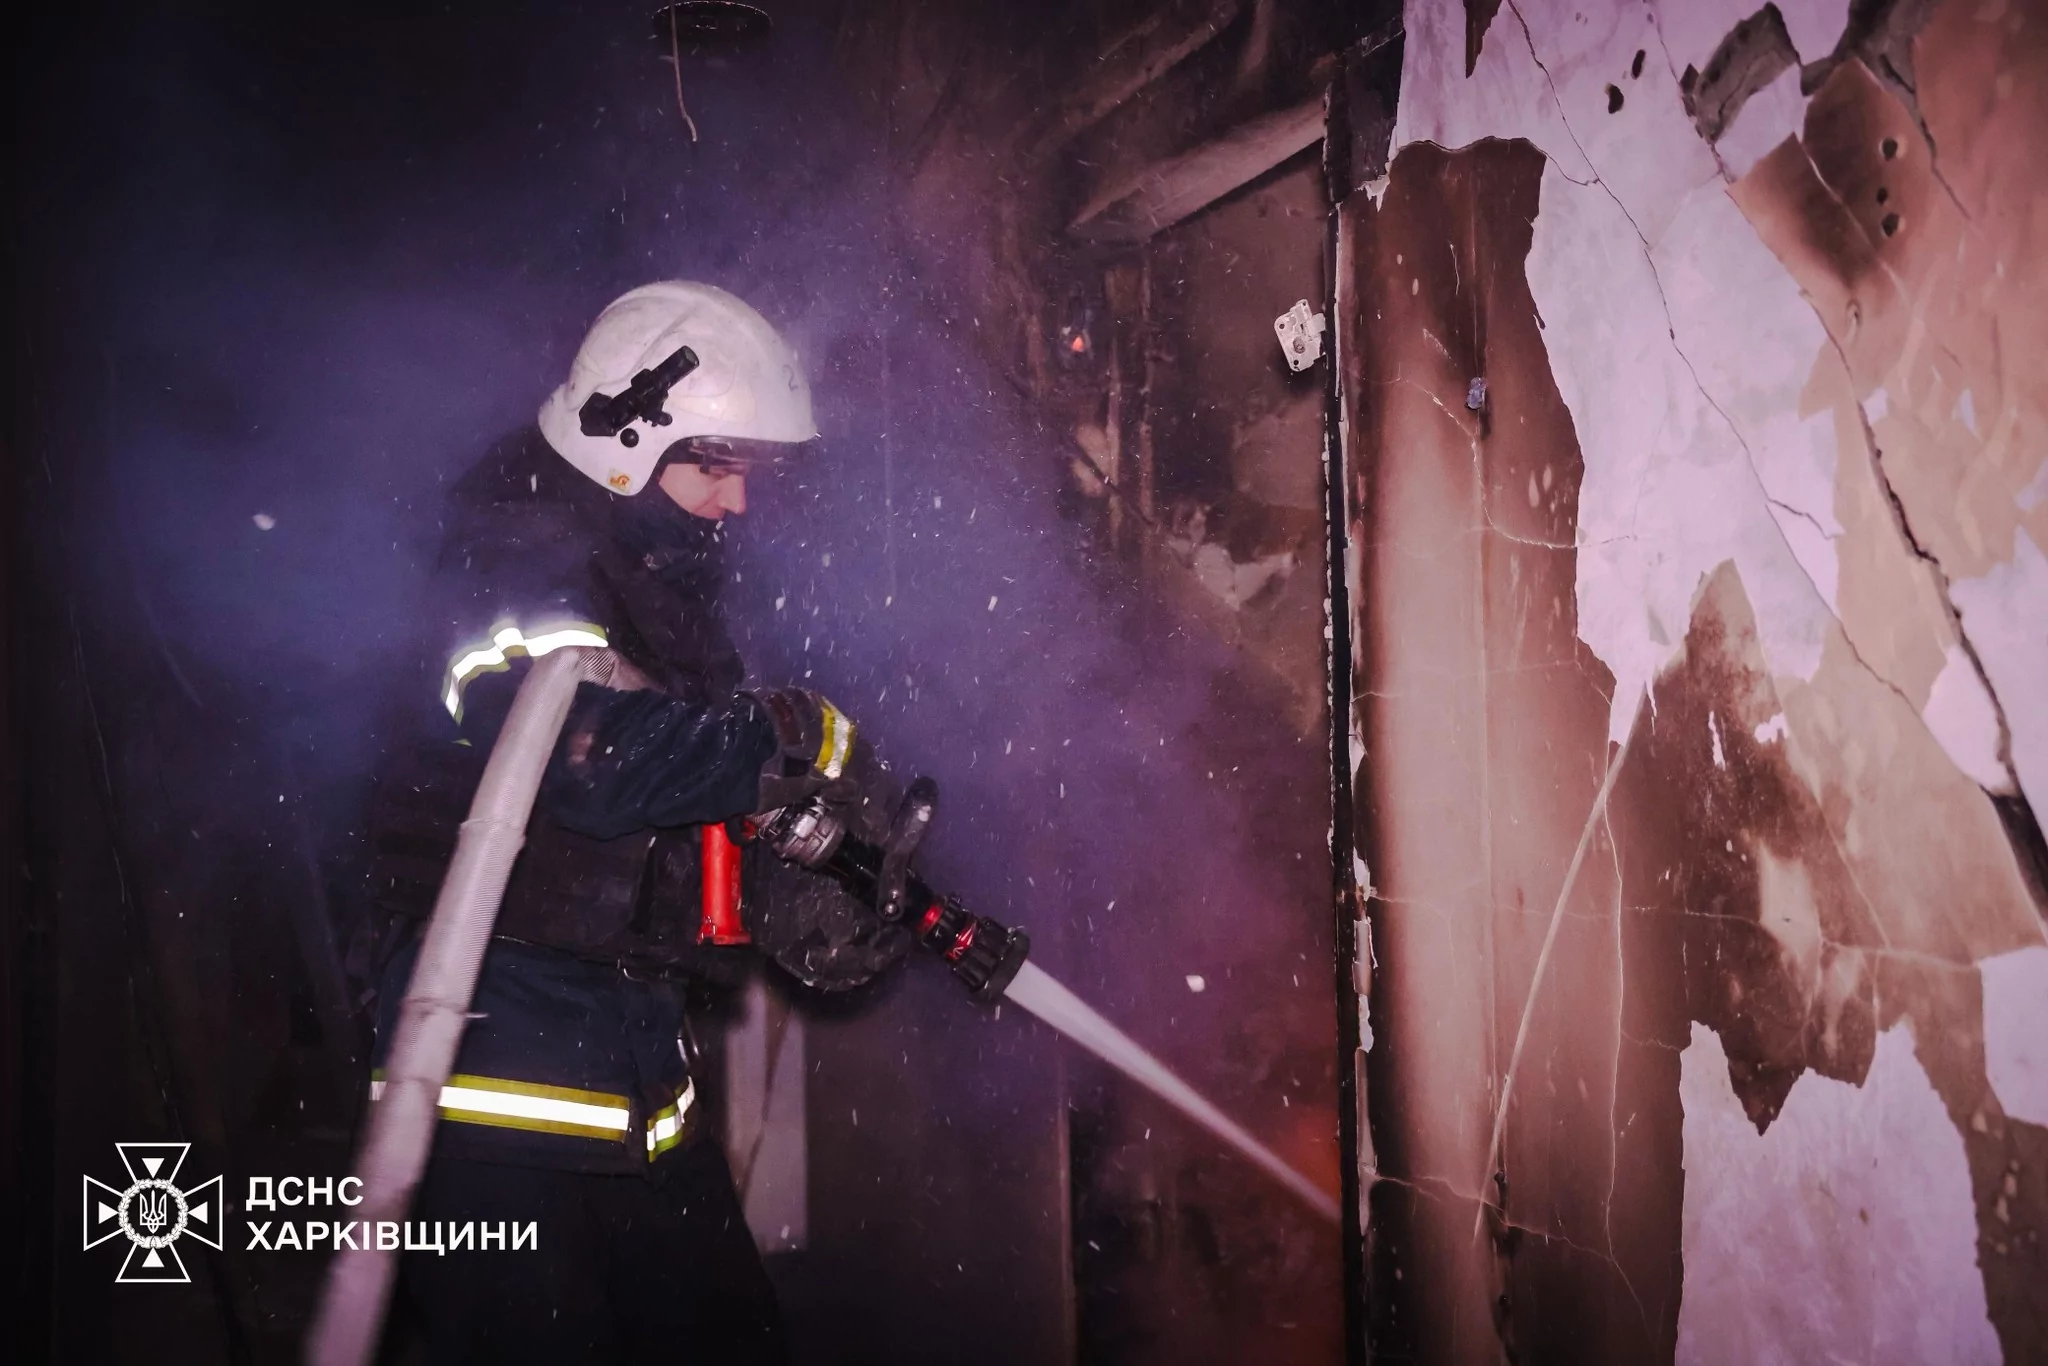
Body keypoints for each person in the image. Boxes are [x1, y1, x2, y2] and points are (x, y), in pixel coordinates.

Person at [358, 281, 909, 1364]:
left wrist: (809, 872)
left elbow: (678, 792)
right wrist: (788, 733)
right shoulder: (517, 538)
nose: (737, 502)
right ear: (627, 439)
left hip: (626, 1072)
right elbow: (582, 755)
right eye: (716, 466)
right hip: (496, 1079)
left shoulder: (651, 575)